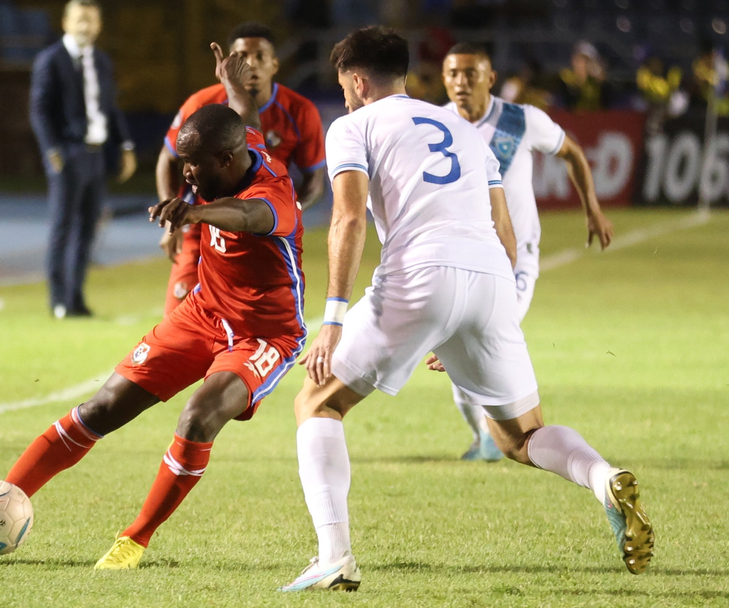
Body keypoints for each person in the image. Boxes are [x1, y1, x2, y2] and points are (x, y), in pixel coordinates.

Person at [280, 27, 653, 592]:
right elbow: (504, 230)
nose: (347, 94)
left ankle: (335, 556)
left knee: (316, 402)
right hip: (491, 280)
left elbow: (349, 219)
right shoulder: (463, 128)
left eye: (345, 84)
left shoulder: (352, 126)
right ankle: (603, 478)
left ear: (356, 81)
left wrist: (331, 318)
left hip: (418, 277)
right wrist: (460, 323)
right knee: (521, 437)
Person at [0, 43, 306, 570]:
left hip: (264, 334)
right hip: (202, 313)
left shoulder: (274, 193)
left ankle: (136, 538)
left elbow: (248, 219)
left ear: (225, 160)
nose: (185, 174)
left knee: (199, 417)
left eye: (193, 165)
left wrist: (198, 216)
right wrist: (237, 88)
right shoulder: (240, 148)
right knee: (101, 408)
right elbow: (244, 119)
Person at [441, 42, 615, 461]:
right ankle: (485, 436)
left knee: (481, 338)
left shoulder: (521, 120)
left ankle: (512, 434)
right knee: (459, 358)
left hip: (514, 258)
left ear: (490, 78)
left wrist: (591, 207)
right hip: (463, 255)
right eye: (452, 74)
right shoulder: (437, 124)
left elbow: (571, 151)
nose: (461, 82)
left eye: (470, 73)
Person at [157, 22, 324, 318]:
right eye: (241, 57)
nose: (250, 64)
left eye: (260, 56)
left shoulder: (300, 111)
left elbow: (314, 181)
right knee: (177, 320)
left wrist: (286, 213)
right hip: (201, 222)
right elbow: (167, 160)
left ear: (275, 63)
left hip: (262, 233)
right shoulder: (202, 104)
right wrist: (174, 220)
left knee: (251, 321)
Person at [30, 0, 137, 319]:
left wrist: (126, 146)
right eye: (79, 20)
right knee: (63, 227)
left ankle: (76, 298)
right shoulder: (50, 61)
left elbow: (111, 107)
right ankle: (58, 300)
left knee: (88, 229)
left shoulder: (101, 61)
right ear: (65, 22)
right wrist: (52, 151)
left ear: (99, 25)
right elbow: (39, 110)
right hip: (68, 152)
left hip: (96, 154)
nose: (84, 26)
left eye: (90, 20)